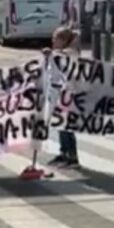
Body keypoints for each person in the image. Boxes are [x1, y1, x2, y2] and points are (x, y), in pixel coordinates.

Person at [47, 26, 81, 169]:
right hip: (58, 93)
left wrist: (52, 54)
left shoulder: (69, 53)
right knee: (60, 124)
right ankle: (63, 153)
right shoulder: (58, 53)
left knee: (66, 125)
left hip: (68, 94)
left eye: (55, 38)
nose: (53, 40)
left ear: (62, 40)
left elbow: (63, 57)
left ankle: (72, 156)